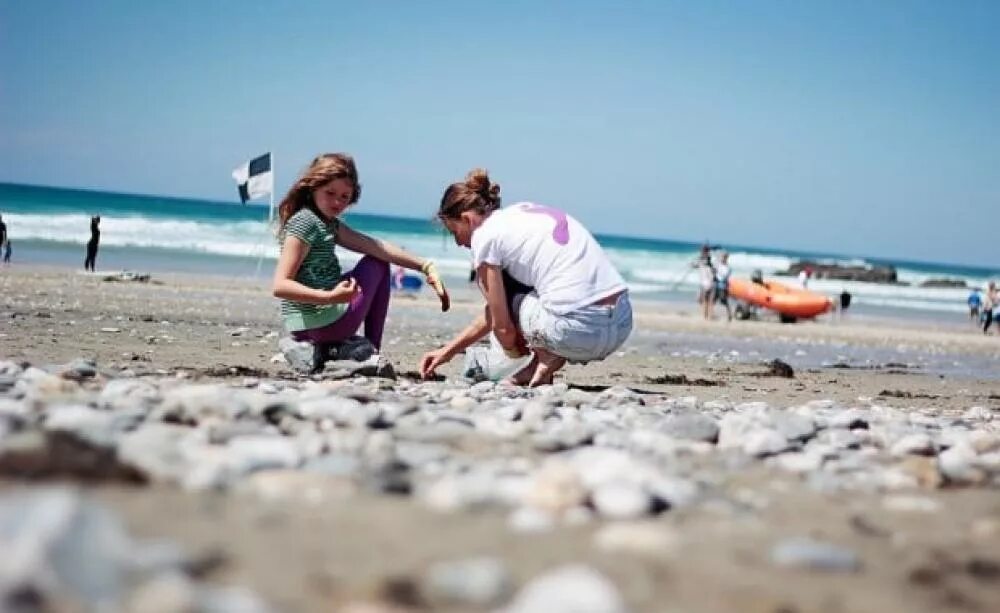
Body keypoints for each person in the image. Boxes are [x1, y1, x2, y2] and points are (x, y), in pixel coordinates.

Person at [420, 168, 632, 387]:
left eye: (454, 232)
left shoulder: (484, 237)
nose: (458, 242)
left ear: (467, 218)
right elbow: (496, 311)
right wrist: (448, 351)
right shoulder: (523, 212)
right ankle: (540, 364)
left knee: (509, 294)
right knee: (536, 291)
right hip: (621, 323)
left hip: (573, 331)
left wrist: (511, 350)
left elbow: (502, 326)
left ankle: (547, 355)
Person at [272, 153, 449, 373]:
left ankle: (344, 349)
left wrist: (424, 266)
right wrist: (330, 297)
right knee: (378, 263)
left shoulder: (326, 223)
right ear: (312, 187)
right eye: (330, 193)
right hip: (322, 322)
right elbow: (280, 286)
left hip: (309, 325)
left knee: (377, 256)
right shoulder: (305, 223)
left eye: (345, 197)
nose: (338, 202)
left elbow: (372, 244)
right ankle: (371, 350)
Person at [694, 244, 716, 320]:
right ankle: (706, 315)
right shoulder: (702, 258)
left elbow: (710, 265)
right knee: (702, 300)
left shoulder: (708, 259)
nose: (702, 252)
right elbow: (697, 265)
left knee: (707, 300)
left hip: (708, 282)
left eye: (703, 250)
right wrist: (693, 264)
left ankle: (707, 316)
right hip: (703, 282)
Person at [714, 251, 732, 321]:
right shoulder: (718, 264)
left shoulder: (728, 267)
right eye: (722, 257)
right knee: (713, 299)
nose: (723, 258)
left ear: (726, 258)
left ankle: (729, 314)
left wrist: (717, 273)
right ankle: (711, 314)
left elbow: (724, 276)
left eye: (724, 257)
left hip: (723, 285)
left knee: (723, 301)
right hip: (716, 284)